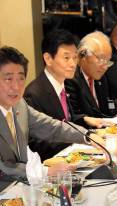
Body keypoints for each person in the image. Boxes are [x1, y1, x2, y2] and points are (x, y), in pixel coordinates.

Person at [0, 46, 103, 206]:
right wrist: (44, 172)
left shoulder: (19, 105)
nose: (16, 87)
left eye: (21, 79)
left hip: (20, 198)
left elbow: (51, 127)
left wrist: (88, 136)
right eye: (8, 79)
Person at [25, 30, 107, 159]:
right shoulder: (34, 93)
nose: (73, 64)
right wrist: (76, 143)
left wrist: (84, 119)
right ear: (48, 58)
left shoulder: (63, 84)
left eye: (75, 57)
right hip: (54, 165)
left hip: (73, 157)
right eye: (66, 58)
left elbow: (67, 119)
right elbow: (36, 143)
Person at [65, 31, 115, 120]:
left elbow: (105, 112)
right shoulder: (70, 79)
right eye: (101, 59)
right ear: (83, 55)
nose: (105, 67)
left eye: (108, 61)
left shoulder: (101, 78)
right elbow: (75, 119)